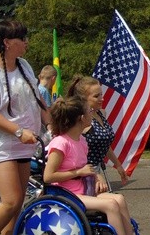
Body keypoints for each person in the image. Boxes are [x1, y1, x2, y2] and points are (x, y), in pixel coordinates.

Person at [0, 20, 49, 235]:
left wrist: (50, 123)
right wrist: (18, 131)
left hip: (25, 145)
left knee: (16, 208)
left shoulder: (23, 65)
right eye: (22, 39)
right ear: (6, 42)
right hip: (1, 146)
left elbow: (37, 100)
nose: (27, 42)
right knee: (10, 201)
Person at [44, 97, 134, 235]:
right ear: (81, 118)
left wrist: (96, 176)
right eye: (89, 111)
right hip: (65, 193)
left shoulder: (81, 140)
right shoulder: (60, 143)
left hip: (82, 190)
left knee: (119, 199)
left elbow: (85, 166)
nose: (92, 114)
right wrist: (78, 172)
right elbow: (48, 176)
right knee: (111, 205)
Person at [67, 75, 128, 193]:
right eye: (96, 96)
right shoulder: (81, 119)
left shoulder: (100, 113)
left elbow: (104, 143)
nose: (102, 98)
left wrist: (118, 165)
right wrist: (93, 175)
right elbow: (73, 150)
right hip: (82, 173)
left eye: (101, 94)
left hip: (96, 170)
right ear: (83, 99)